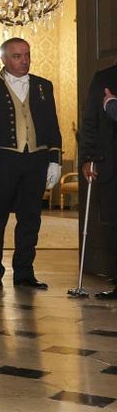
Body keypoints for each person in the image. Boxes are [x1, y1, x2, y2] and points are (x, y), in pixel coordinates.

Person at [0, 38, 61, 290]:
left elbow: (52, 126)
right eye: (17, 56)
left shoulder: (44, 86)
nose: (24, 60)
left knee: (30, 218)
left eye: (27, 55)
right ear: (3, 59)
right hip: (2, 162)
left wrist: (54, 160)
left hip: (36, 160)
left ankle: (24, 272)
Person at [79, 63, 117, 299]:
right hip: (111, 165)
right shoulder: (104, 77)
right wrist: (87, 158)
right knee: (113, 226)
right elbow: (90, 123)